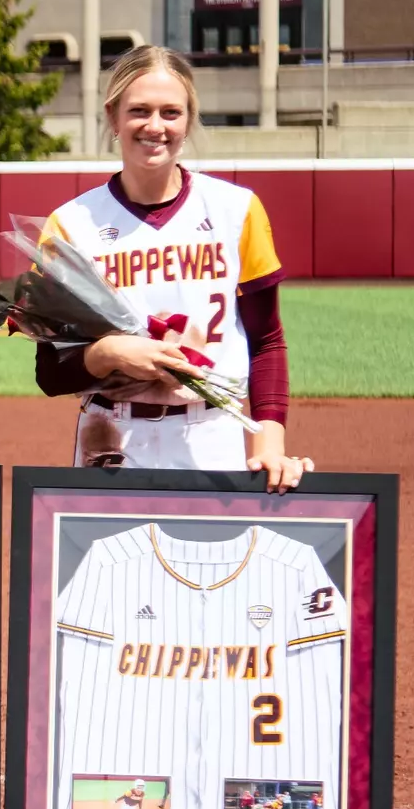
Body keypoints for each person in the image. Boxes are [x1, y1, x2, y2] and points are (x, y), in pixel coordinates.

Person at [32, 45, 311, 491]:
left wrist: (268, 442)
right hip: (111, 437)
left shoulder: (235, 210)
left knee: (212, 559)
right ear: (113, 116)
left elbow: (267, 341)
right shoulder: (71, 224)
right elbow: (50, 372)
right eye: (139, 110)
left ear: (189, 118)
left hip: (212, 431)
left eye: (171, 112)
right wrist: (107, 354)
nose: (155, 126)